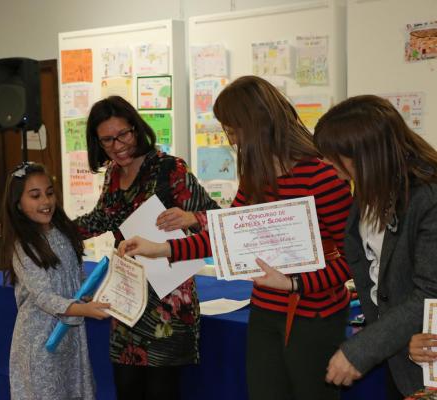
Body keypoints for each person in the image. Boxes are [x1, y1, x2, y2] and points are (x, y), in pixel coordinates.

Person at [118, 76, 353, 400]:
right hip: (266, 311)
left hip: (314, 317)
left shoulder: (322, 177)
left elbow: (355, 259)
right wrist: (161, 248)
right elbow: (224, 236)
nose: (230, 138)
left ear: (254, 125)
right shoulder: (256, 177)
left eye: (231, 129)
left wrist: (297, 285)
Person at [74, 95, 219, 400]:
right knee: (126, 388)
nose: (117, 146)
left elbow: (219, 221)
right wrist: (57, 231)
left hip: (168, 306)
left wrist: (192, 216)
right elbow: (103, 217)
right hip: (127, 300)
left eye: (123, 134)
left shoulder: (169, 169)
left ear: (136, 129)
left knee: (161, 392)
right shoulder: (114, 173)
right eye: (107, 140)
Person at [315, 95, 437, 398]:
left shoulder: (427, 197)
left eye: (333, 156)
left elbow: (428, 291)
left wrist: (362, 349)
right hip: (402, 354)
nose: (327, 164)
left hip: (425, 356)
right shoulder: (370, 190)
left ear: (363, 154)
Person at [0, 162, 110, 400]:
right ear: (18, 203)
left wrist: (90, 295)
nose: (46, 202)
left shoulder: (65, 231)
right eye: (35, 196)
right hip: (40, 340)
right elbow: (44, 297)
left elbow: (77, 275)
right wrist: (85, 310)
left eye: (49, 193)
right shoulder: (23, 246)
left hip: (70, 337)